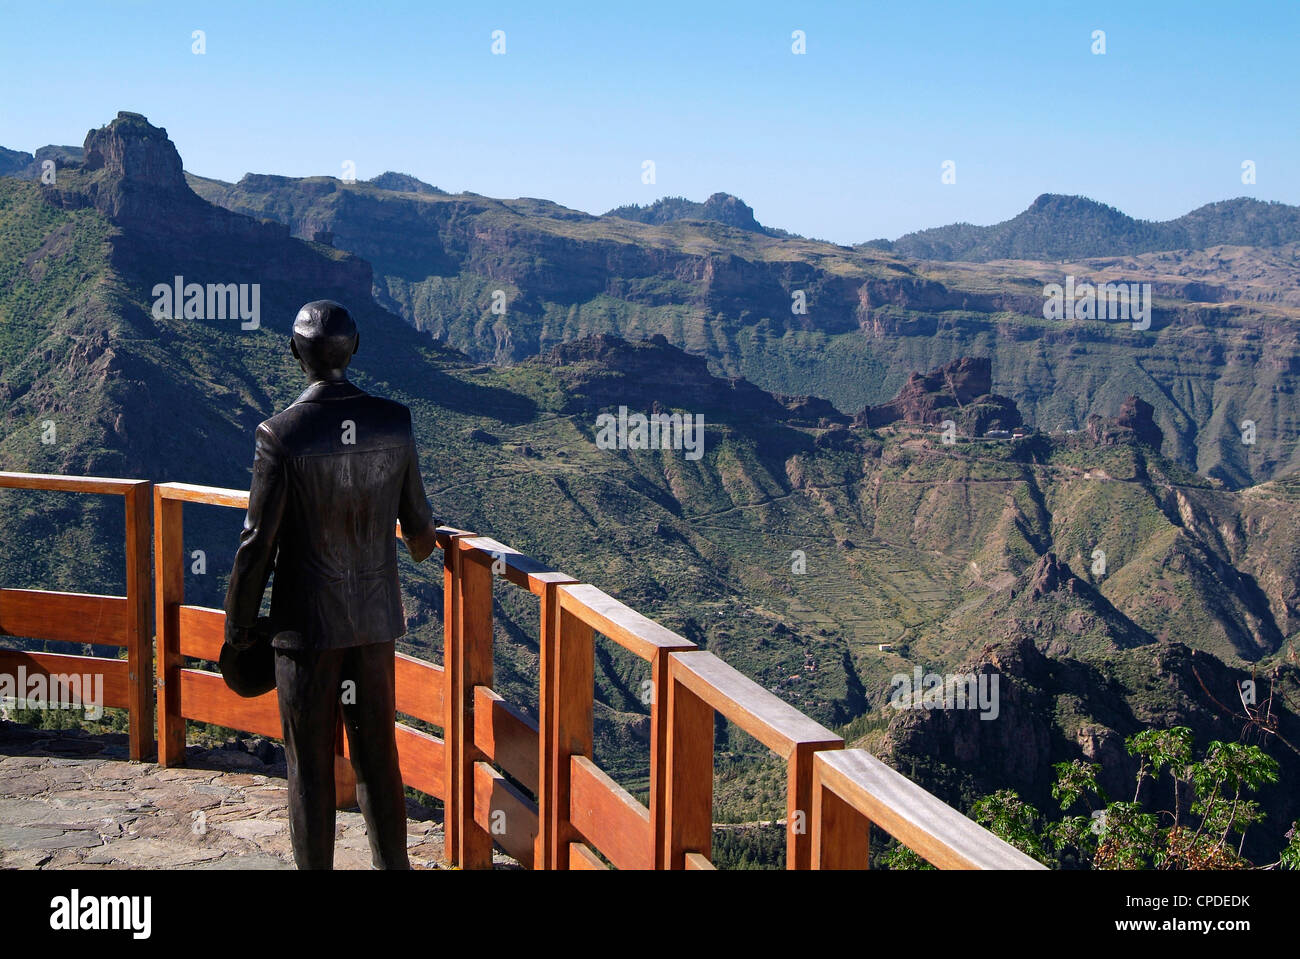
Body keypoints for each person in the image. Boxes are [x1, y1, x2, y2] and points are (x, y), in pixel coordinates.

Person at [223, 299, 439, 869]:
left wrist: (240, 626)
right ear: (356, 347)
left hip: (304, 628)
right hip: (372, 622)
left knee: (310, 767)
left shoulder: (281, 436)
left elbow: (256, 546)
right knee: (377, 757)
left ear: (295, 353)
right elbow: (420, 532)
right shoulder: (394, 422)